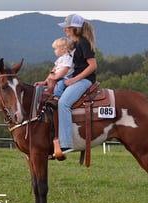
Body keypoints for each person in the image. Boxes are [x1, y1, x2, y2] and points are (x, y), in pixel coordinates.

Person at [56, 14, 97, 154]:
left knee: (63, 103)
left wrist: (74, 80)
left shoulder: (83, 42)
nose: (65, 30)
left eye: (67, 28)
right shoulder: (74, 44)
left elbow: (92, 66)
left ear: (74, 28)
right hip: (75, 79)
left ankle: (66, 143)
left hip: (85, 80)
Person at [46, 37, 74, 102]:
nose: (54, 51)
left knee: (60, 84)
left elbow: (65, 69)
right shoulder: (60, 59)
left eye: (55, 49)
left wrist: (56, 77)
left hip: (65, 77)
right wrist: (47, 79)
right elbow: (54, 69)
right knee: (51, 85)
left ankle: (57, 97)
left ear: (62, 49)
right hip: (58, 76)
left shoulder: (67, 58)